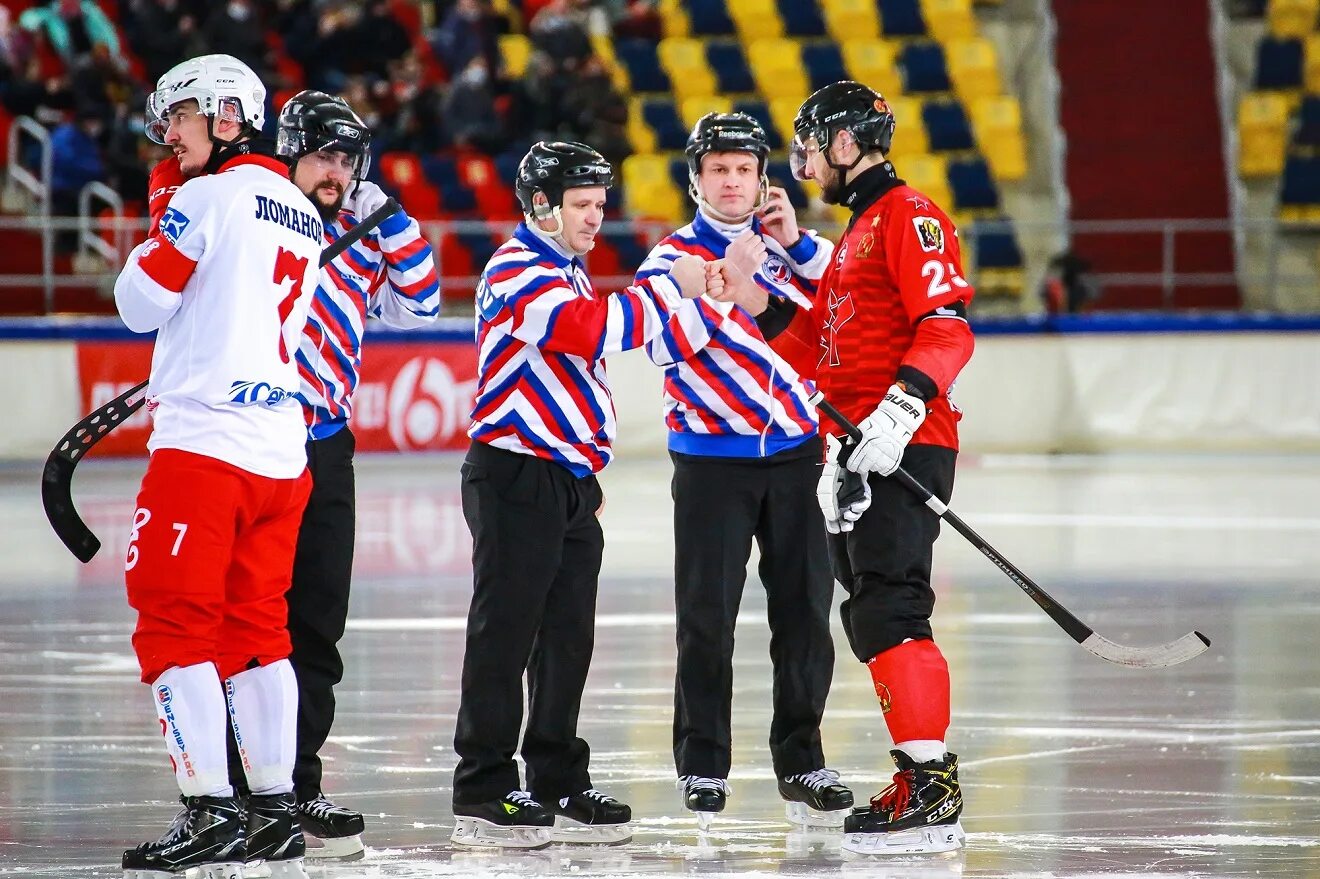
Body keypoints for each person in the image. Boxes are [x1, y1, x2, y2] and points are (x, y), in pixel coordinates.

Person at [451, 140, 720, 849]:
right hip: (515, 472)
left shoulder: (567, 270)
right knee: (505, 634)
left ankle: (554, 777)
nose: (595, 218)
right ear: (540, 205)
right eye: (582, 205)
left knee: (567, 638)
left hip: (567, 479)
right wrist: (674, 288)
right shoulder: (517, 267)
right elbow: (589, 332)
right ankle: (482, 785)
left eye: (601, 205)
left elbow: (609, 340)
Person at [112, 53, 321, 877]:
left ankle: (208, 809)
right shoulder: (299, 206)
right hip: (280, 450)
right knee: (258, 630)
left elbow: (139, 304)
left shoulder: (202, 193)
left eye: (182, 116)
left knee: (172, 620)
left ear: (227, 116)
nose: (169, 134)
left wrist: (165, 206)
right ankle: (272, 808)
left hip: (204, 449)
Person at [221, 89, 441, 861]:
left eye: (348, 161)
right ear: (289, 152)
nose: (337, 172)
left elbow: (419, 305)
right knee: (247, 619)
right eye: (323, 155)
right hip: (250, 440)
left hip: (324, 445)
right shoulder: (254, 214)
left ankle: (295, 782)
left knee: (316, 622)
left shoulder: (364, 232)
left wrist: (397, 223)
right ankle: (229, 789)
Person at [632, 112, 853, 829]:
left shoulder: (794, 249)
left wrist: (789, 246)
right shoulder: (669, 261)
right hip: (710, 462)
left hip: (795, 455)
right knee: (706, 620)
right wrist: (720, 291)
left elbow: (842, 308)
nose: (732, 182)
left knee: (804, 616)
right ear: (696, 178)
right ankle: (702, 763)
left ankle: (802, 759)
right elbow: (663, 351)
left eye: (744, 169)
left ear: (764, 178)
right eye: (718, 169)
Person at [774, 81, 976, 855]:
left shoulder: (908, 215)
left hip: (904, 439)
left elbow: (947, 328)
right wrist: (757, 305)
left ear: (848, 143)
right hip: (859, 443)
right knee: (868, 609)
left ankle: (931, 784)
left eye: (813, 144)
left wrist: (897, 412)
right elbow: (822, 351)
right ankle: (919, 773)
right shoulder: (858, 230)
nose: (806, 160)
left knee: (892, 605)